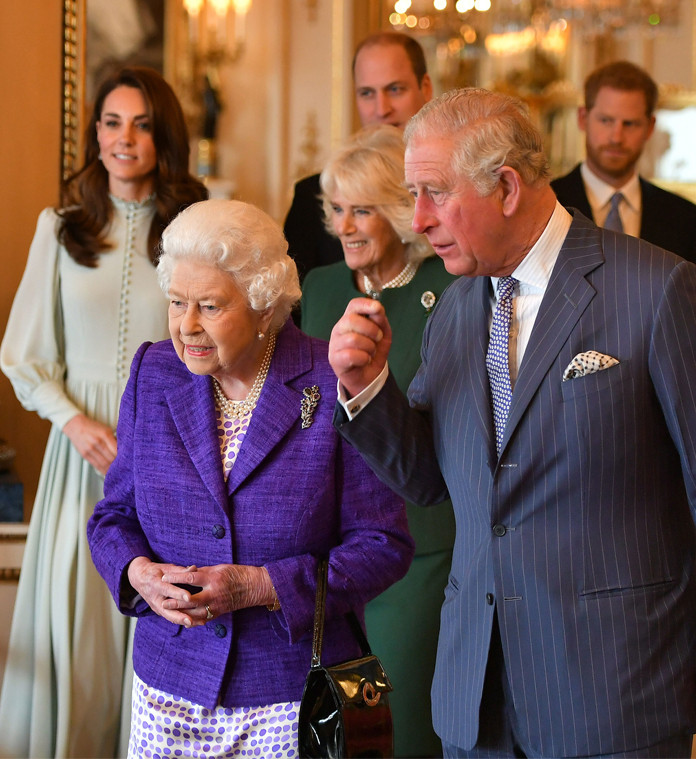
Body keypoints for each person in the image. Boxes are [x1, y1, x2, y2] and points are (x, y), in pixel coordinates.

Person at [329, 88, 696, 757]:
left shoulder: (659, 292)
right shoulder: (456, 309)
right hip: (476, 693)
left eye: (433, 193)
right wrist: (367, 389)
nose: (416, 219)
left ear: (507, 186)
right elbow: (428, 480)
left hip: (615, 689)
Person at [85, 198, 414, 757]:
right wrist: (137, 572)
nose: (186, 326)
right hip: (168, 687)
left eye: (209, 307)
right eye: (176, 303)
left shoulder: (330, 378)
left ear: (264, 307)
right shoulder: (152, 371)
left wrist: (262, 587)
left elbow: (384, 545)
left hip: (290, 695)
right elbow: (112, 516)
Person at [0, 65, 207, 759]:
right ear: (95, 133)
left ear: (163, 136)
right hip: (79, 455)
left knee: (154, 620)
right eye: (113, 122)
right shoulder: (59, 228)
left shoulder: (194, 231)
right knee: (81, 620)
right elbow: (23, 352)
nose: (125, 138)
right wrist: (74, 421)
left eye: (143, 124)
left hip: (169, 459)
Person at [300, 123, 457, 757]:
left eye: (362, 209)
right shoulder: (320, 288)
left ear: (399, 208)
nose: (345, 225)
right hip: (331, 559)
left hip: (419, 549)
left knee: (406, 727)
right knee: (346, 729)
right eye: (337, 209)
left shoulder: (451, 290)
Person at [285, 31, 433, 284]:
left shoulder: (452, 191)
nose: (381, 109)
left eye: (395, 89)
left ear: (426, 88)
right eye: (367, 93)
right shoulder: (312, 197)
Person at [550, 60, 696, 276]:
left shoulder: (684, 218)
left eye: (630, 124)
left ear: (650, 128)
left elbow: (693, 306)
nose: (616, 137)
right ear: (582, 119)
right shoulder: (548, 204)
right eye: (606, 121)